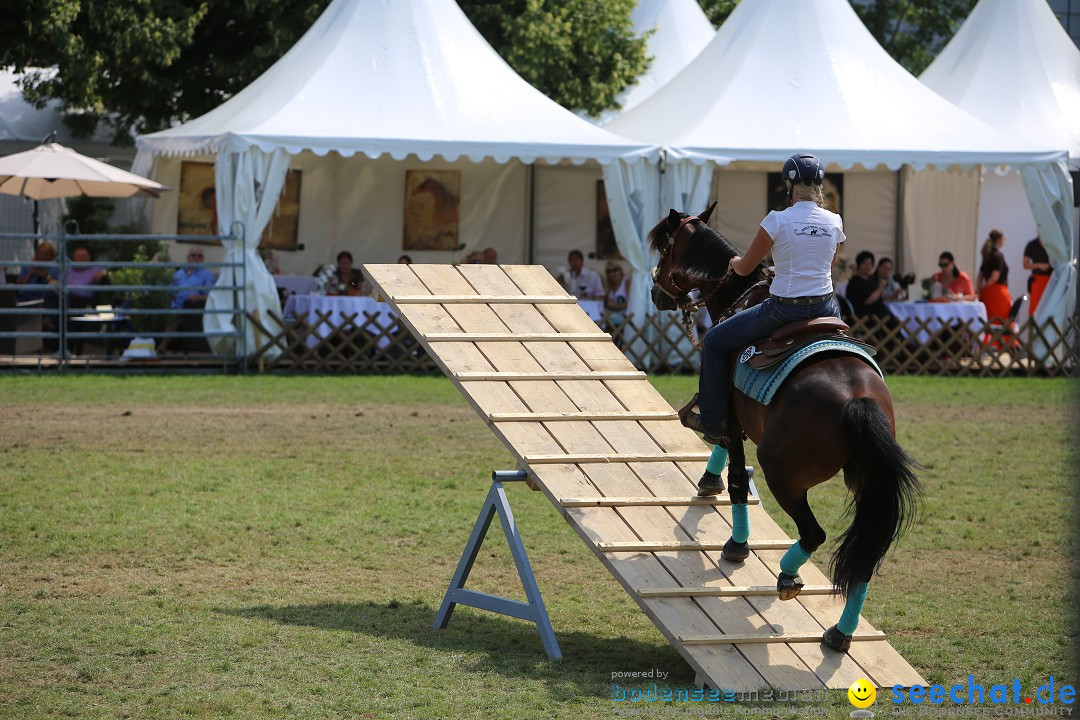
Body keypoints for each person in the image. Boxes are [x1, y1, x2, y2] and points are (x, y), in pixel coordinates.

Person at [682, 153, 843, 448]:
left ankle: (713, 421)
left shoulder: (777, 220)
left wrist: (733, 261)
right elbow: (827, 266)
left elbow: (745, 268)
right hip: (824, 307)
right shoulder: (834, 221)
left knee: (715, 341)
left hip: (784, 310)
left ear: (789, 187)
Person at [158, 248, 217, 354]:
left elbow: (212, 296)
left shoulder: (207, 275)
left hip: (189, 308)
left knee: (174, 316)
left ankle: (162, 346)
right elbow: (169, 291)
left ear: (202, 259)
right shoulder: (179, 273)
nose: (196, 258)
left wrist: (198, 298)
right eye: (194, 255)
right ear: (188, 258)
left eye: (199, 256)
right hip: (172, 305)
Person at [845, 251, 894, 319]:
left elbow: (880, 298)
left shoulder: (871, 280)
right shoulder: (856, 282)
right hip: (866, 316)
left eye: (870, 264)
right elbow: (868, 301)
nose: (868, 267)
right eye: (864, 263)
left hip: (877, 314)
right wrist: (880, 288)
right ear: (858, 265)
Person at [977, 229, 1012, 324]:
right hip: (997, 294)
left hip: (987, 294)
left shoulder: (987, 254)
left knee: (989, 321)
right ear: (1000, 239)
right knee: (1001, 322)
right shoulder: (998, 256)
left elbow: (980, 275)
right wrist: (985, 286)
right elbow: (995, 276)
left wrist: (981, 288)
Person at [602, 260, 630, 346]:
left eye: (615, 270)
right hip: (614, 318)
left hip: (626, 318)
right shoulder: (610, 286)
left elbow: (632, 303)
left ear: (620, 271)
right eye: (609, 271)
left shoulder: (626, 282)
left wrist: (616, 306)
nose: (613, 273)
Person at [1022, 235, 1052, 314]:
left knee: (1049, 308)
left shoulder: (1052, 244)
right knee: (1035, 308)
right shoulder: (1031, 245)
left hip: (1051, 281)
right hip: (1037, 281)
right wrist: (1039, 265)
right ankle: (1033, 325)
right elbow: (1025, 264)